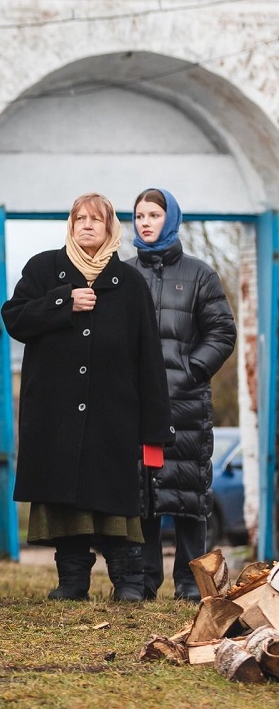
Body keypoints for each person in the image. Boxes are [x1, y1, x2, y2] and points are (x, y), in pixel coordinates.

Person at [2, 193, 172, 602]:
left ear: (110, 226)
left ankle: (129, 582)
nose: (87, 225)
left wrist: (155, 426)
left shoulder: (130, 283)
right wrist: (63, 301)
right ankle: (72, 582)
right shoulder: (45, 269)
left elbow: (149, 356)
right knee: (66, 503)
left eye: (96, 219)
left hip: (114, 416)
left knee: (116, 503)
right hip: (55, 415)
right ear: (70, 224)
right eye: (79, 219)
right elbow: (14, 318)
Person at [130, 189, 236, 601]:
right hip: (137, 406)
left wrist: (192, 371)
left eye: (153, 214)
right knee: (143, 493)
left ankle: (191, 584)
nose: (145, 222)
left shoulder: (200, 274)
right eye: (139, 215)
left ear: (170, 218)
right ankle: (141, 581)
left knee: (189, 496)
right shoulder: (122, 274)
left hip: (186, 405)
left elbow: (222, 332)